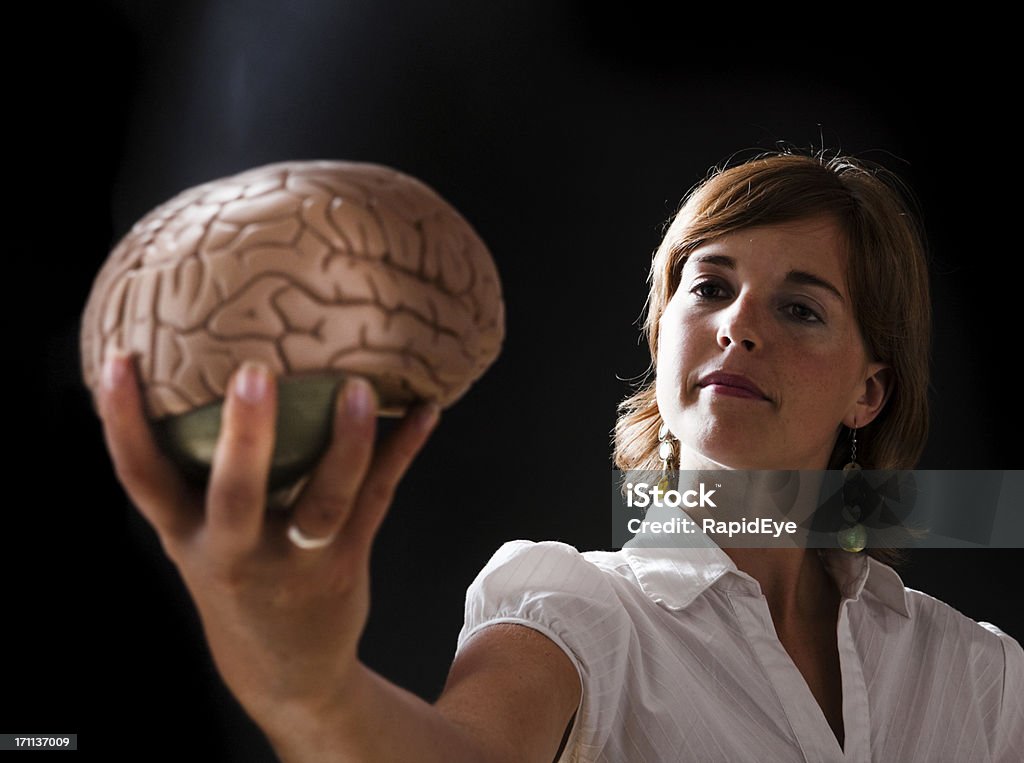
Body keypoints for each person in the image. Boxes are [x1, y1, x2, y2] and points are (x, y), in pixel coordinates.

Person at [94, 150, 1023, 762]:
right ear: (662, 337)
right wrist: (312, 690)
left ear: (871, 389)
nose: (738, 324)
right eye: (710, 285)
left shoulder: (976, 676)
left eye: (800, 306)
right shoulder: (579, 612)